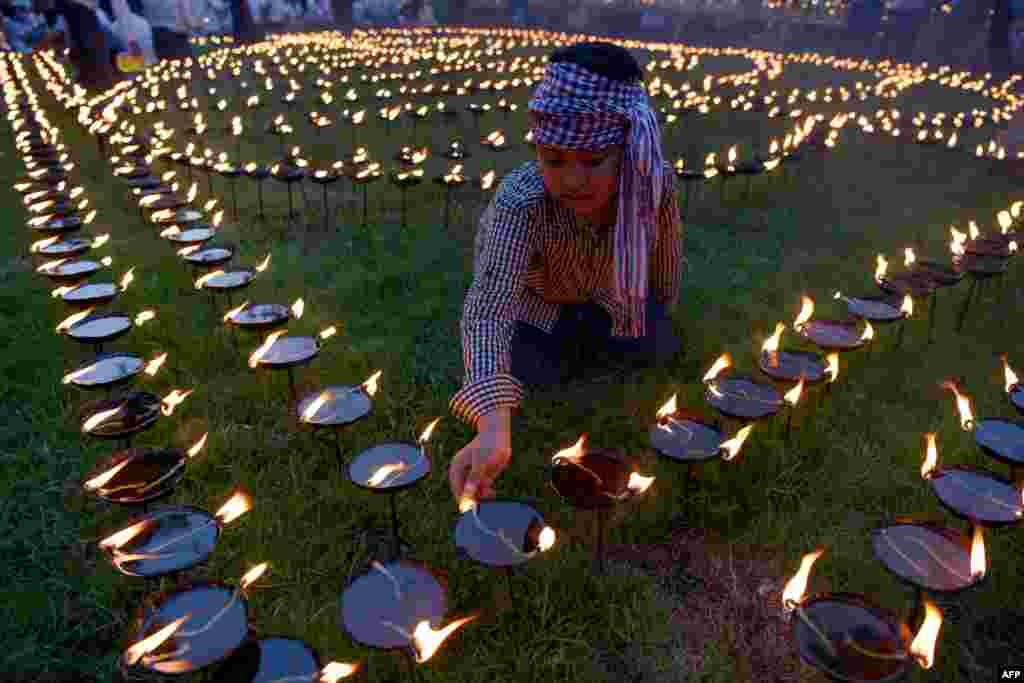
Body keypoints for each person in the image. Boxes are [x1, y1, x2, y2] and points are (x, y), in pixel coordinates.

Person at [447, 42, 683, 508]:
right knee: (535, 374)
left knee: (657, 345)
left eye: (592, 161)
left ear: (627, 151)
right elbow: (490, 307)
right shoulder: (522, 202)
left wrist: (659, 311)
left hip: (610, 299)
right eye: (554, 160)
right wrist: (493, 427)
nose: (572, 181)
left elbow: (666, 256)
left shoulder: (652, 184)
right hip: (539, 310)